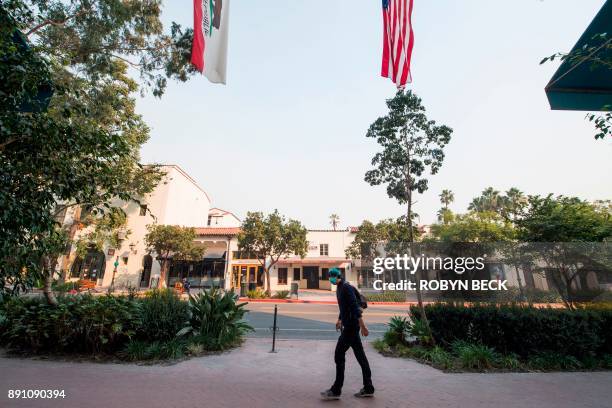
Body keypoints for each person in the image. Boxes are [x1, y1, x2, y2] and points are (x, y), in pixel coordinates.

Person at [321, 268, 374, 400]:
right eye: (329, 277)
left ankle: (336, 390)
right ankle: (368, 388)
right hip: (349, 326)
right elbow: (343, 307)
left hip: (351, 327)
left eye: (332, 277)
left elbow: (354, 307)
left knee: (339, 354)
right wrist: (339, 320)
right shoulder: (339, 288)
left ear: (337, 276)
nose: (330, 279)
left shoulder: (346, 288)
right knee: (361, 356)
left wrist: (363, 326)